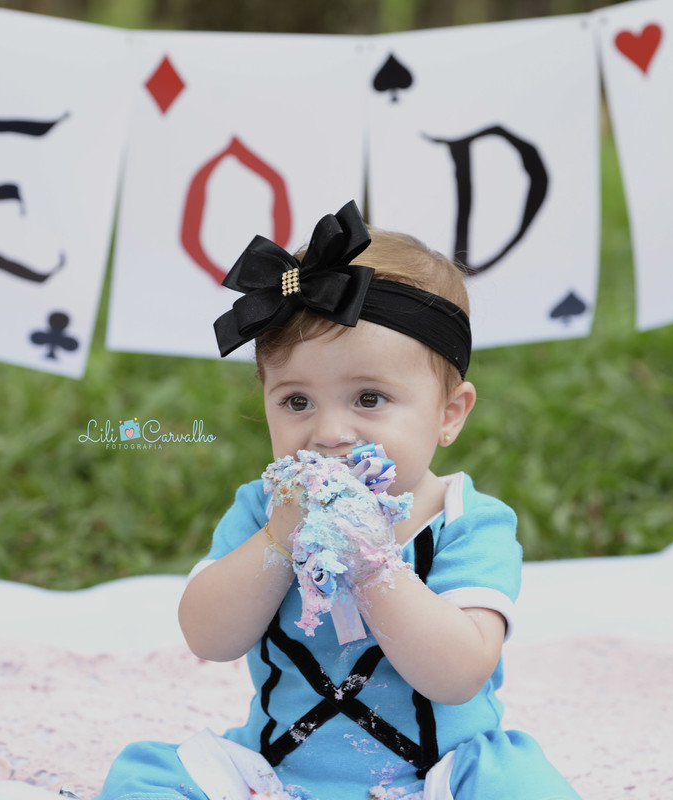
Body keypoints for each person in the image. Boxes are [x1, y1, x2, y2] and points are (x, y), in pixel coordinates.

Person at [98, 202, 579, 800]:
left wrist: (371, 557)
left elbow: (457, 675)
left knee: (527, 788)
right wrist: (280, 537)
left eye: (369, 398)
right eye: (297, 402)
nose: (329, 432)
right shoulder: (263, 510)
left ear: (449, 414)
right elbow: (209, 638)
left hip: (439, 775)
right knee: (141, 778)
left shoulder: (467, 523)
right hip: (276, 773)